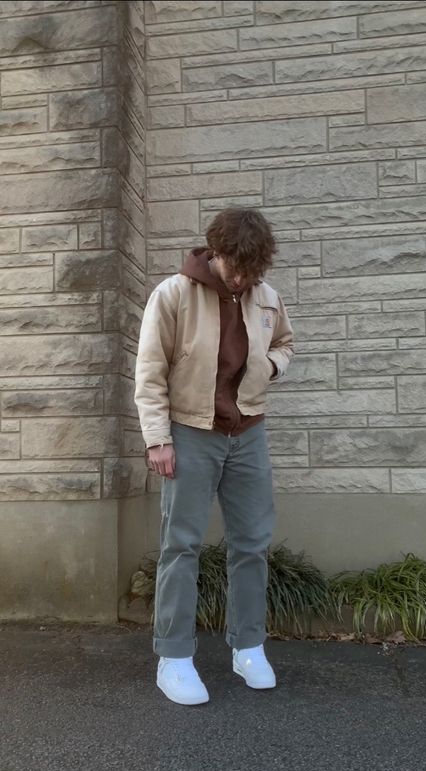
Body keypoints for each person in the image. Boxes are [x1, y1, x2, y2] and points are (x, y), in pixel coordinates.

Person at [134, 207, 294, 705]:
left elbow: (286, 342)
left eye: (254, 270)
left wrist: (270, 365)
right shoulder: (174, 294)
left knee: (252, 543)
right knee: (180, 545)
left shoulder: (266, 297)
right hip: (189, 432)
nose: (244, 278)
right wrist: (157, 438)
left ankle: (248, 646)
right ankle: (174, 657)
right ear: (217, 253)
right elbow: (150, 370)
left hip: (248, 432)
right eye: (236, 267)